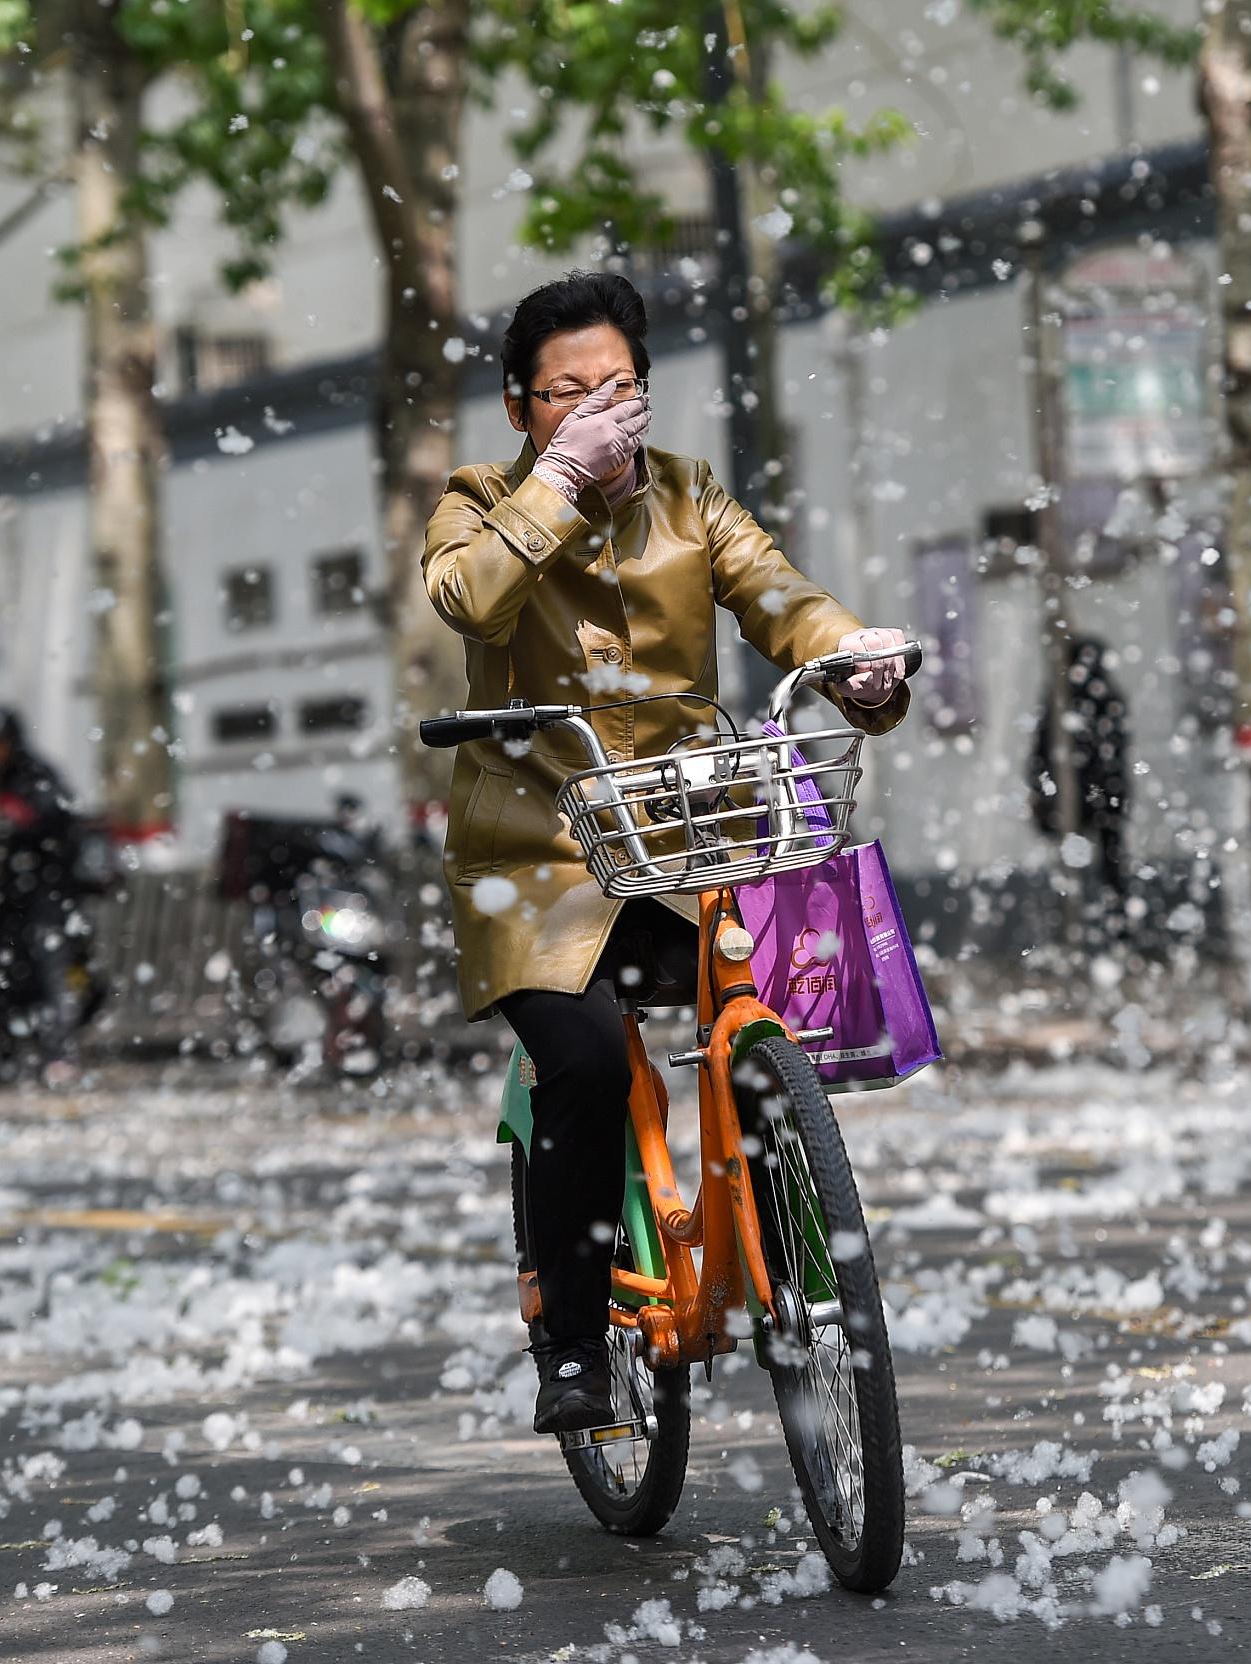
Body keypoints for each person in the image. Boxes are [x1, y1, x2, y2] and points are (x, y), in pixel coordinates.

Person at [423, 270, 912, 1434]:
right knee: (587, 1068)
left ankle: (784, 1247)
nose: (601, 410)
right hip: (539, 856)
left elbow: (783, 600)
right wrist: (557, 485)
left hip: (688, 832)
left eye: (621, 387)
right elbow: (469, 601)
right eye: (568, 392)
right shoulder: (478, 498)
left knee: (772, 1010)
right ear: (518, 406)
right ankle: (575, 1343)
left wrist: (855, 655)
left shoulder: (694, 497)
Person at [0, 703, 83, 1081]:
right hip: (4, 896)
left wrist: (8, 810)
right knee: (0, 974)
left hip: (44, 892)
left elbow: (49, 823)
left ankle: (57, 1054)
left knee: (49, 973)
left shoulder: (36, 775)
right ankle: (4, 1055)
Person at [1027, 636, 1132, 952]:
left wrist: (1042, 788)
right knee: (1105, 864)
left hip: (1086, 794)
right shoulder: (1089, 697)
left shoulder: (1065, 698)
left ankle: (1090, 931)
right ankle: (1106, 931)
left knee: (1088, 866)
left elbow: (1042, 749)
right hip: (1096, 794)